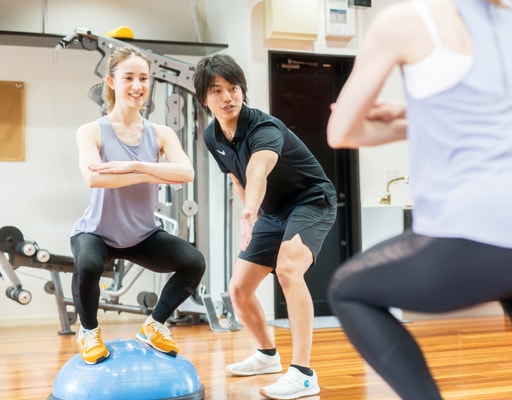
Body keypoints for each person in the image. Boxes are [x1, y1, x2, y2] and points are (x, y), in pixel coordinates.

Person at [326, 1, 512, 399]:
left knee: (347, 290)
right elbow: (500, 119)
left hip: (502, 219)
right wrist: (420, 113)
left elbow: (341, 132)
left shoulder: (402, 21)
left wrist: (412, 118)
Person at [193, 54, 337, 400]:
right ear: (204, 99)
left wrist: (249, 211)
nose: (228, 97)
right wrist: (253, 211)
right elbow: (237, 176)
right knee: (239, 289)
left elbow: (258, 169)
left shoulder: (264, 128)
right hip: (272, 212)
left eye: (233, 88)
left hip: (311, 200)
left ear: (243, 90)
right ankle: (267, 355)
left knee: (288, 270)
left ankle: (303, 374)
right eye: (217, 91)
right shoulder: (213, 136)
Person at [71, 46, 206, 365]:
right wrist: (155, 173)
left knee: (193, 262)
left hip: (143, 235)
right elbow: (94, 178)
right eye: (129, 77)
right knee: (87, 265)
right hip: (97, 232)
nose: (137, 85)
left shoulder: (161, 133)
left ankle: (153, 325)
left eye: (144, 78)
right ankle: (89, 331)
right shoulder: (91, 131)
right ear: (111, 81)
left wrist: (136, 167)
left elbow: (186, 173)